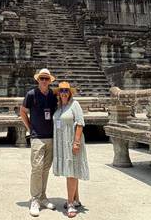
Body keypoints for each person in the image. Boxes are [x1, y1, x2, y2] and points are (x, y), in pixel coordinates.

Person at [20, 68, 58, 217]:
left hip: (51, 136)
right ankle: (35, 199)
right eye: (41, 78)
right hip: (37, 137)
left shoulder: (53, 95)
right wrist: (30, 128)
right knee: (37, 168)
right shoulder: (31, 94)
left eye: (46, 79)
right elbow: (22, 111)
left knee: (45, 168)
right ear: (38, 80)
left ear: (49, 81)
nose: (43, 81)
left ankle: (43, 196)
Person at [52, 81, 89, 218]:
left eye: (66, 91)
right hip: (62, 143)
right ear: (58, 93)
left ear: (70, 92)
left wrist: (76, 142)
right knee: (72, 171)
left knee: (71, 172)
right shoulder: (60, 107)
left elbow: (80, 123)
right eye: (61, 91)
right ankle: (76, 199)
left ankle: (71, 203)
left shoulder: (75, 104)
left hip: (72, 142)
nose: (63, 93)